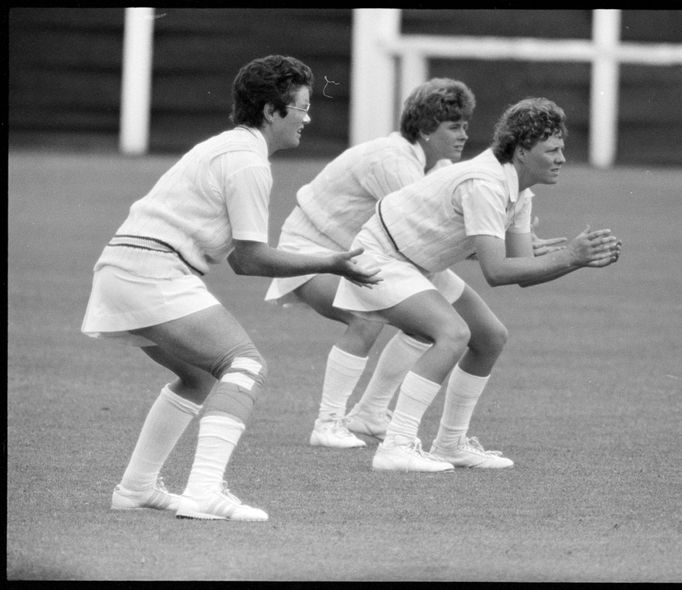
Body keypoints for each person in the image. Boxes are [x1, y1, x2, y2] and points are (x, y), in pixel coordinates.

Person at [80, 55, 380, 521]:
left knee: (199, 376)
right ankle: (204, 491)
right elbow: (249, 259)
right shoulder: (247, 162)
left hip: (123, 269)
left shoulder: (230, 148)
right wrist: (332, 262)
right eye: (300, 107)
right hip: (152, 271)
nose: (307, 116)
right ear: (270, 111)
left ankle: (136, 488)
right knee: (245, 364)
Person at [333, 97, 622, 472]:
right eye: (552, 149)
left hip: (416, 263)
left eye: (561, 148)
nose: (562, 158)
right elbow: (497, 272)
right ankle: (396, 446)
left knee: (490, 337)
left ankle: (450, 444)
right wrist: (570, 256)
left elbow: (523, 272)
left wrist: (577, 258)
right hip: (380, 256)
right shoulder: (485, 184)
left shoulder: (520, 190)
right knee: (452, 333)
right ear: (520, 152)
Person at [264, 78, 477, 449]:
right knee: (366, 314)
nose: (464, 136)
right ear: (426, 129)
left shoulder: (434, 162)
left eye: (465, 125)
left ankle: (370, 413)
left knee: (427, 320)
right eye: (454, 126)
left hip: (355, 256)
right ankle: (326, 423)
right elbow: (420, 235)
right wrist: (488, 244)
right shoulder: (393, 162)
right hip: (309, 254)